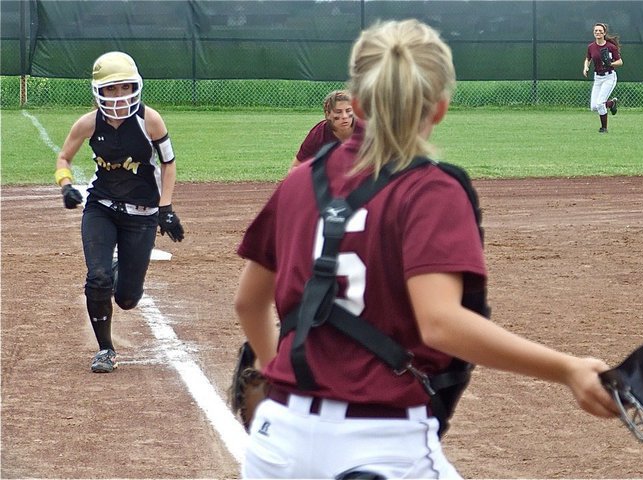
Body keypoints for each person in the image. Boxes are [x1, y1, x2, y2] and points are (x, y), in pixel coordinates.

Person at [234, 19, 619, 479]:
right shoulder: (431, 190)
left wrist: (277, 367)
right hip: (384, 446)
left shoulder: (300, 181)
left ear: (356, 105)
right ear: (439, 108)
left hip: (279, 444)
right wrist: (568, 369)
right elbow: (440, 324)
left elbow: (248, 302)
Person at [55, 51, 184, 373]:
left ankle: (116, 268)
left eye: (124, 87)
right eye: (111, 89)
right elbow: (63, 159)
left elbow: (168, 163)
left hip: (141, 215)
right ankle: (106, 350)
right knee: (97, 278)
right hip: (101, 207)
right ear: (98, 91)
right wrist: (66, 185)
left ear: (135, 87)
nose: (118, 96)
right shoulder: (88, 123)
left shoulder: (149, 120)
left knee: (127, 299)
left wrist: (165, 208)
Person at [289, 89, 359, 171]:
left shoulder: (365, 130)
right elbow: (295, 168)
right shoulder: (318, 134)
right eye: (338, 112)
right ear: (328, 114)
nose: (344, 116)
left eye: (348, 110)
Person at [582, 22, 623, 133]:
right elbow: (588, 59)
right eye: (596, 31)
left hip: (609, 77)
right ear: (593, 33)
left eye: (600, 31)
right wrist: (586, 67)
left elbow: (620, 62)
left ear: (604, 33)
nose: (598, 32)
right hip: (598, 78)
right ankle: (611, 103)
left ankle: (604, 128)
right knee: (594, 107)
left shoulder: (610, 47)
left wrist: (610, 64)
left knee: (600, 103)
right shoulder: (591, 47)